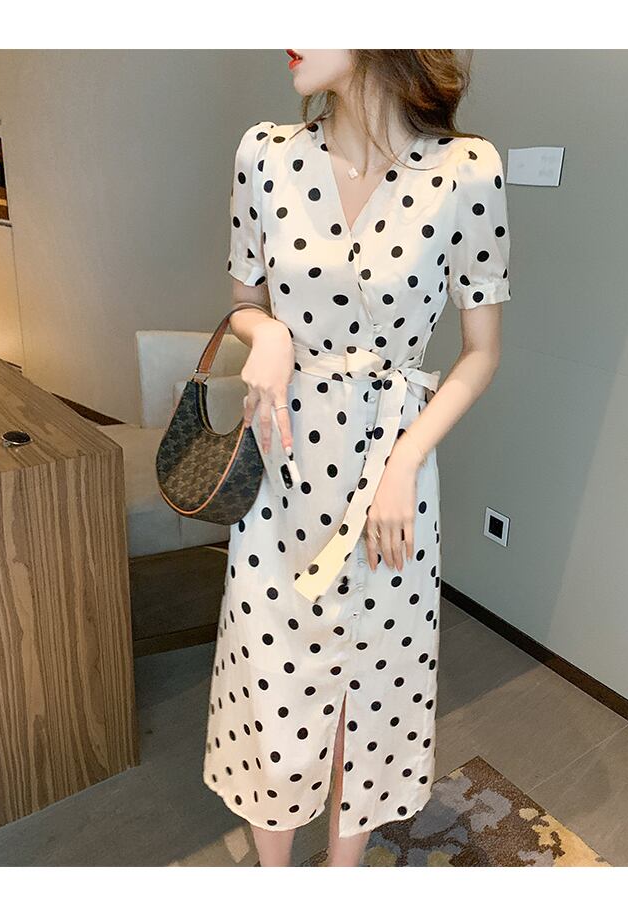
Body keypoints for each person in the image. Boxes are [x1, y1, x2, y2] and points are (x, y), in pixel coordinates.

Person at [202, 48, 511, 867]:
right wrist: (267, 334)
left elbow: (482, 350)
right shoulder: (265, 154)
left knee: (372, 693)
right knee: (272, 683)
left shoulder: (466, 171)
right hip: (283, 469)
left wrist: (408, 461)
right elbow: (243, 302)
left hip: (393, 475)